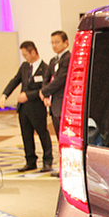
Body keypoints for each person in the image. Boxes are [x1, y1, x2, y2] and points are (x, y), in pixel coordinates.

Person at [0, 41, 53, 172]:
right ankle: (30, 161)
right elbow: (15, 81)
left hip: (37, 107)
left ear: (33, 52)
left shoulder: (45, 68)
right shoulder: (24, 66)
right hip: (24, 108)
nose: (24, 57)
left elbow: (45, 88)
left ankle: (47, 161)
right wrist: (5, 95)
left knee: (42, 134)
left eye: (26, 55)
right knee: (26, 135)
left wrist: (28, 95)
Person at [40, 30, 70, 177]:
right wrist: (44, 93)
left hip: (64, 104)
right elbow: (46, 79)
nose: (54, 45)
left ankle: (68, 168)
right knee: (59, 139)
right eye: (52, 43)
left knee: (66, 139)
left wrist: (45, 92)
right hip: (54, 106)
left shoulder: (68, 58)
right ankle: (62, 167)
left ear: (66, 42)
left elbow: (61, 80)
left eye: (57, 42)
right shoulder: (53, 61)